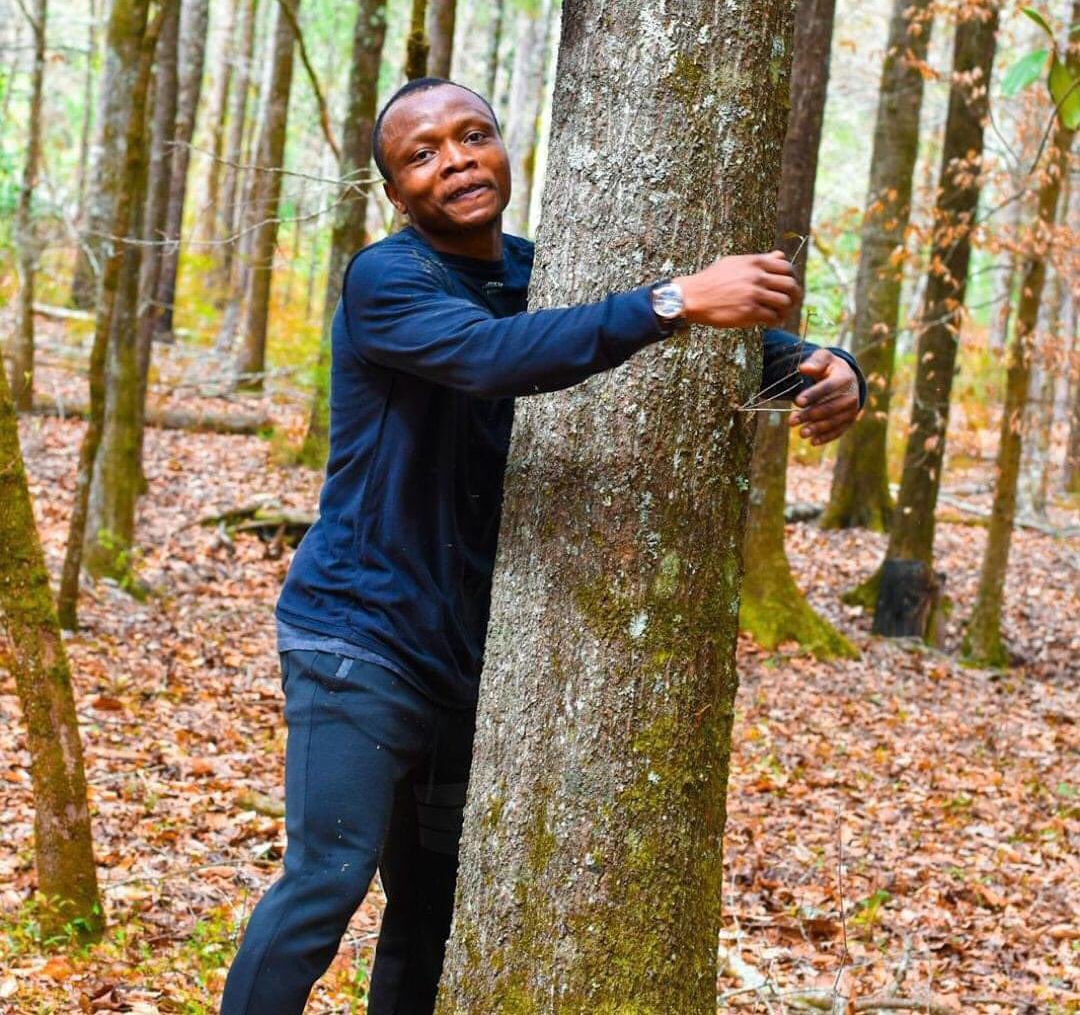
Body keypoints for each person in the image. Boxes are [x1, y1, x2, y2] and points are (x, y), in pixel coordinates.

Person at [220, 78, 865, 1015]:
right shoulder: (387, 280)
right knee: (328, 880)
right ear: (398, 192)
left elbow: (725, 344)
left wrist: (833, 369)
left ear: (502, 145)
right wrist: (678, 297)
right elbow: (497, 357)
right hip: (358, 644)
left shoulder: (541, 268)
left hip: (471, 661)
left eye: (472, 135)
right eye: (423, 154)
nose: (457, 160)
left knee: (435, 905)